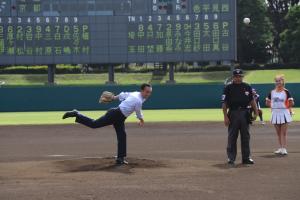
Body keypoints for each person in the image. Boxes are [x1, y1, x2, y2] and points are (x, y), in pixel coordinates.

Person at [62, 83, 153, 165]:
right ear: (142, 91)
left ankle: (120, 158)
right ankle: (76, 114)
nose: (148, 94)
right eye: (147, 92)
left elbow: (124, 94)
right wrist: (141, 119)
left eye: (149, 92)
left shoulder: (136, 94)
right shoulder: (138, 100)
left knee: (122, 136)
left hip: (120, 117)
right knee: (94, 124)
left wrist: (114, 97)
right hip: (115, 115)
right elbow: (138, 111)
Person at [222, 69, 259, 166]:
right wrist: (225, 116)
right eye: (236, 76)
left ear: (242, 77)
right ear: (233, 77)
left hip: (245, 113)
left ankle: (246, 158)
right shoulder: (228, 87)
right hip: (233, 113)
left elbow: (252, 101)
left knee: (245, 137)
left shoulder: (247, 86)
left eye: (240, 76)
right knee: (232, 137)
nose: (238, 78)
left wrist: (256, 112)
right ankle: (231, 158)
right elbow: (224, 103)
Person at [266, 75, 294, 155]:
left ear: (283, 82)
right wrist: (272, 106)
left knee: (283, 133)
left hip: (284, 113)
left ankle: (284, 148)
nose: (278, 82)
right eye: (276, 81)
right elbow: (267, 102)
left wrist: (287, 108)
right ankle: (280, 148)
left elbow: (292, 102)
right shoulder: (272, 92)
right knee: (278, 133)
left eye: (279, 81)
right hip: (275, 113)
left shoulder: (286, 91)